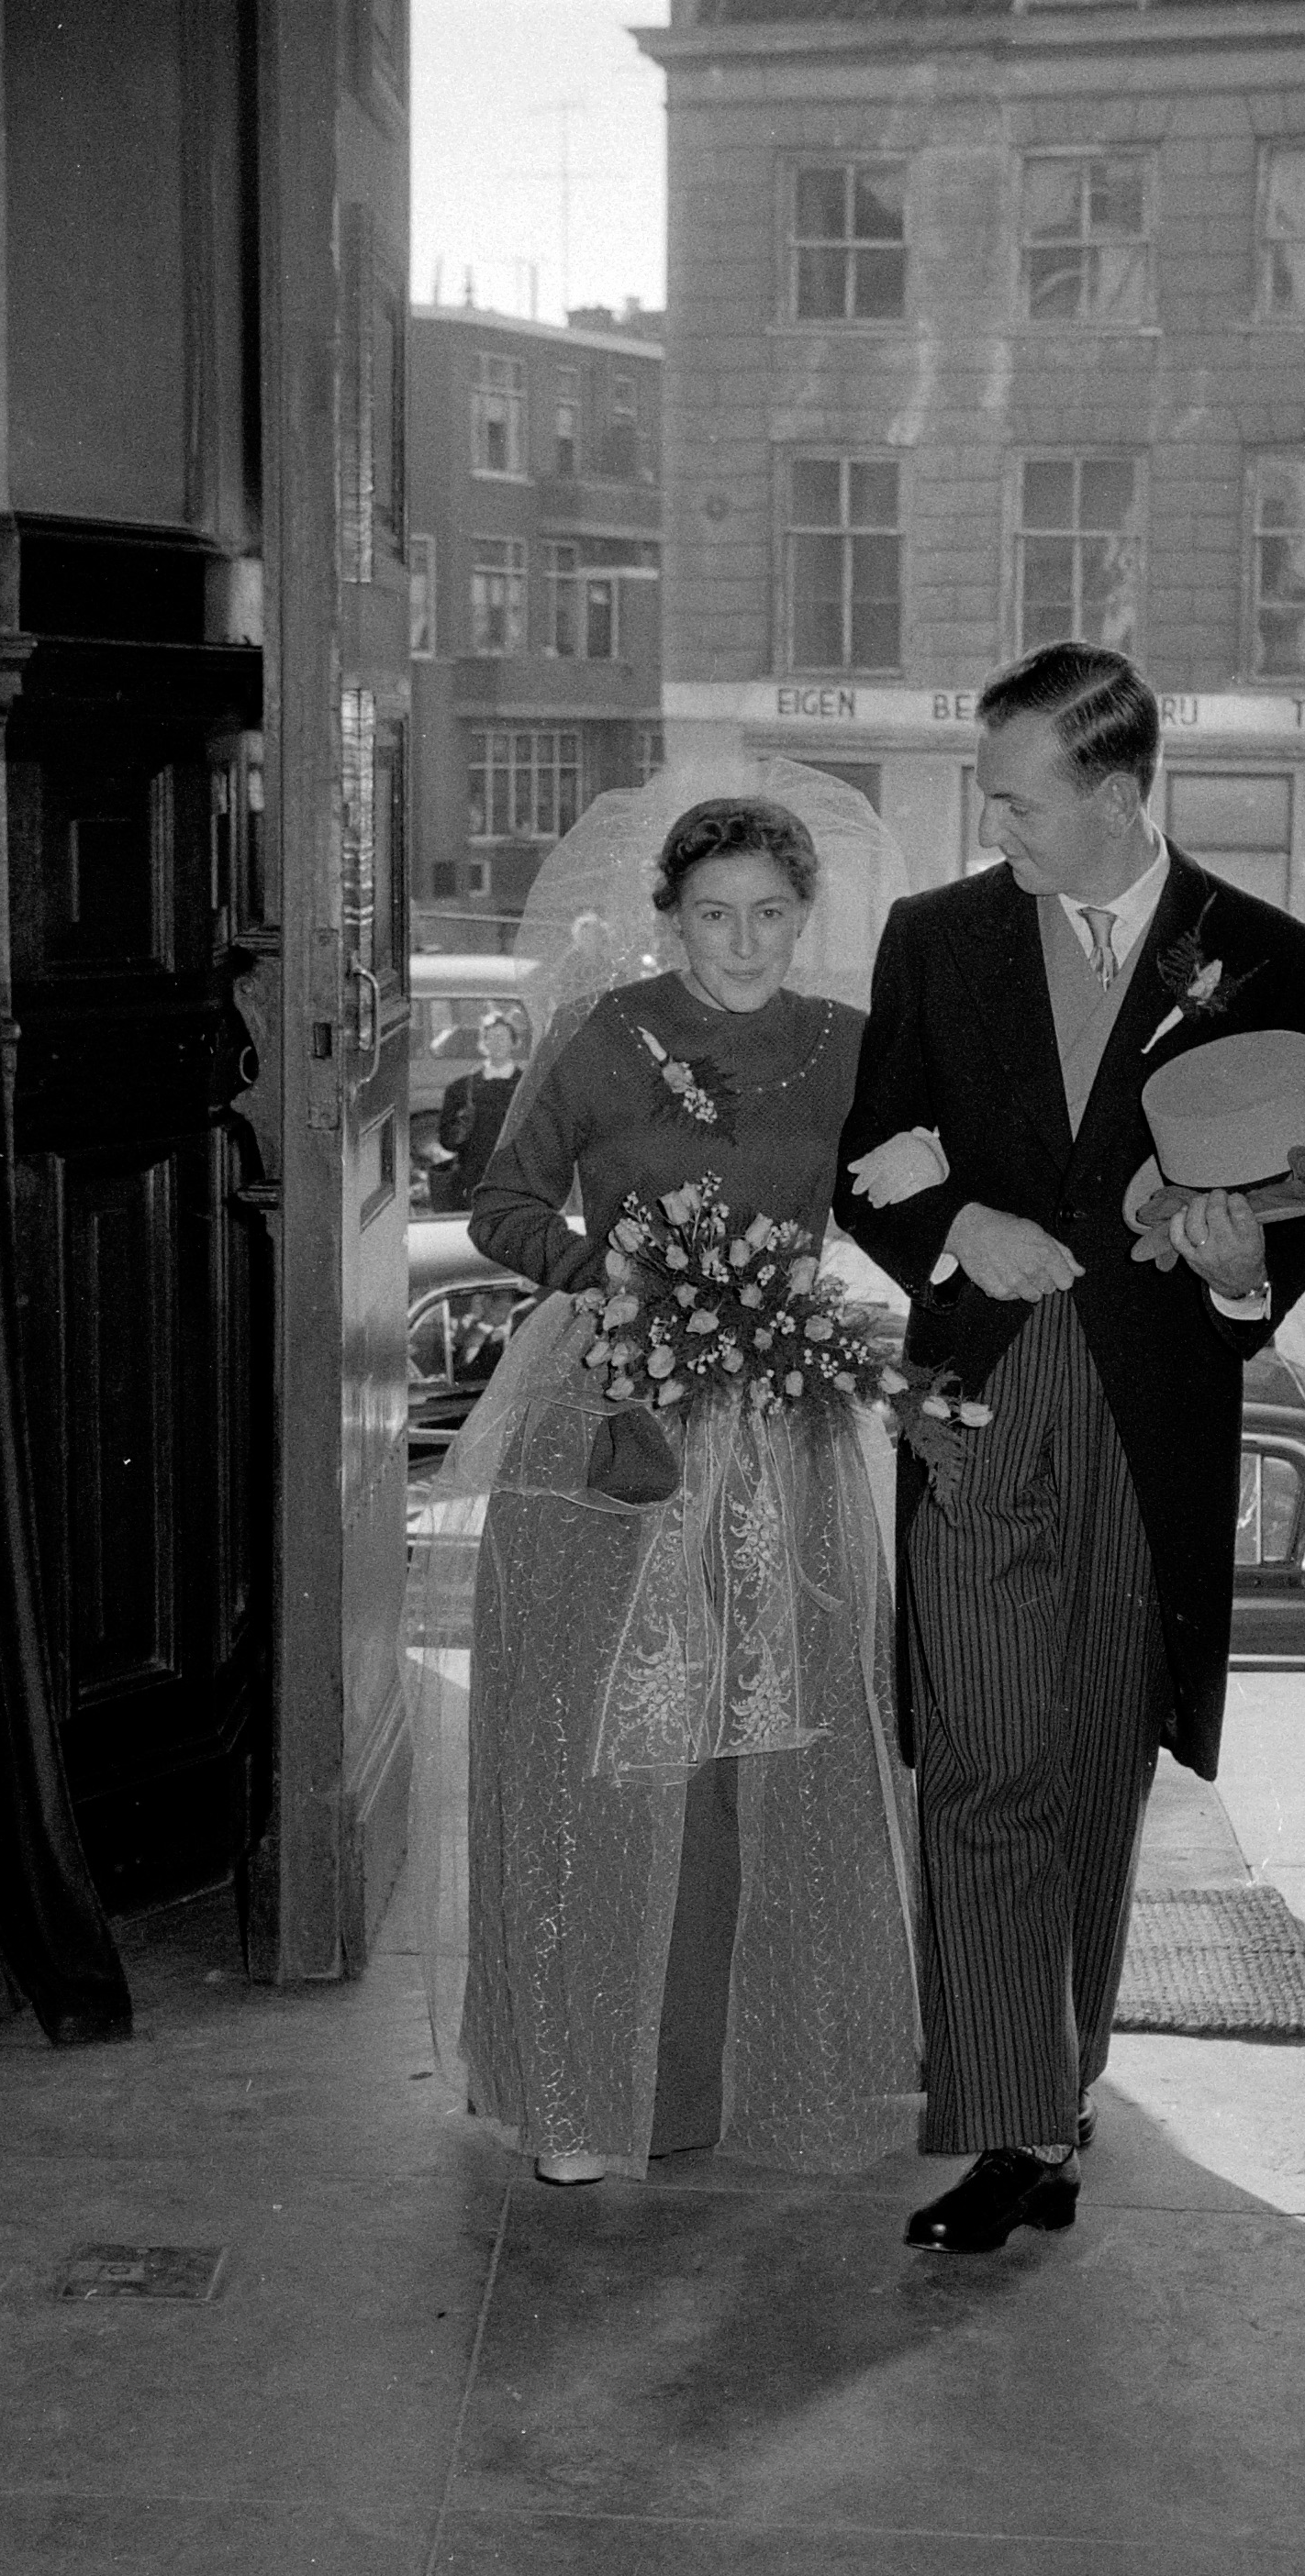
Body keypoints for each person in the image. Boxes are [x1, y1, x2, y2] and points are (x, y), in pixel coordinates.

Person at [831, 642, 1305, 2254]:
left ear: (1115, 795)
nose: (994, 829)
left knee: (1098, 1760)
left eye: (1017, 801)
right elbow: (871, 1153)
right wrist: (955, 1230)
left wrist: (1239, 1269)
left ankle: (1056, 2081)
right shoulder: (936, 936)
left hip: (1147, 1410)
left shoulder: (1256, 952)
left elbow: (1292, 1201)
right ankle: (1012, 2127)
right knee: (981, 1752)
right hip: (976, 1394)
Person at [422, 786, 920, 2186]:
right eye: (714, 914)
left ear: (804, 915)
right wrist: (612, 1278)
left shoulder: (846, 1047)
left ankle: (748, 2079)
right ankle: (578, 2091)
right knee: (597, 1750)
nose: (743, 941)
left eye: (769, 913)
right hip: (612, 1424)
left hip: (783, 1438)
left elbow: (896, 1202)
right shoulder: (610, 1033)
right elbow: (503, 1203)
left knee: (768, 1755)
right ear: (670, 916)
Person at [428, 1005, 529, 1211]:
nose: (497, 1043)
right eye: (492, 1037)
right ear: (483, 1043)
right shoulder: (460, 1088)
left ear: (514, 1043)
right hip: (473, 1180)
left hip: (516, 1180)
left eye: (503, 1037)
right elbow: (447, 1139)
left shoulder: (528, 1087)